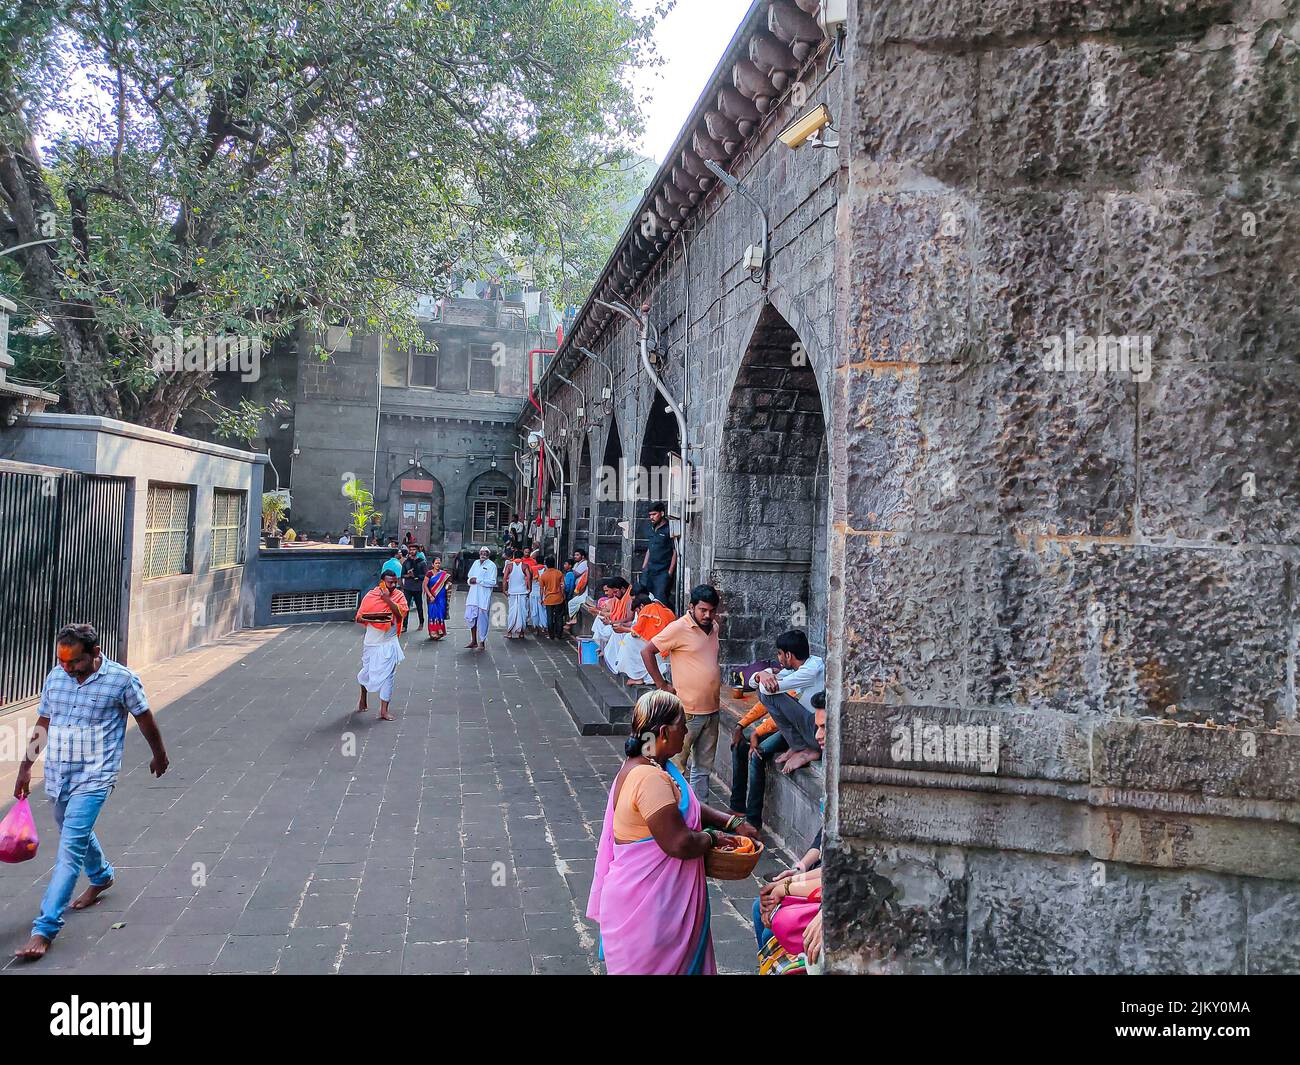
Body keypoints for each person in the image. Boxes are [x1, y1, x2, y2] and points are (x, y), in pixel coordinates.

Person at [12, 624, 170, 962]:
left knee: (69, 849)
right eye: (62, 660)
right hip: (58, 774)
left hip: (96, 776)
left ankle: (44, 928)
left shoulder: (121, 679)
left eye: (74, 662)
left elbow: (143, 717)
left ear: (95, 653)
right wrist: (25, 767)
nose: (67, 668)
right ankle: (101, 876)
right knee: (74, 832)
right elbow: (44, 722)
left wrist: (159, 753)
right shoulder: (56, 677)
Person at [586, 691, 758, 975]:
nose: (687, 731)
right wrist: (714, 838)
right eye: (683, 724)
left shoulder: (653, 767)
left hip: (651, 909)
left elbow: (685, 803)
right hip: (650, 916)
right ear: (664, 732)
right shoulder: (649, 779)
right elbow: (679, 843)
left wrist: (731, 822)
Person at [753, 702, 828, 973]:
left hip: (837, 890)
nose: (818, 735)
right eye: (816, 727)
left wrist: (787, 888)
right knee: (761, 908)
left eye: (824, 728)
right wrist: (798, 869)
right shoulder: (835, 773)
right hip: (823, 877)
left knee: (776, 917)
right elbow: (825, 837)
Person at [643, 585, 722, 802]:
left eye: (712, 610)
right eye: (703, 610)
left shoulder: (714, 627)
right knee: (677, 765)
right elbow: (647, 651)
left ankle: (699, 812)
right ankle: (673, 810)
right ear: (691, 607)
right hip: (686, 712)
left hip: (712, 709)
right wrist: (662, 685)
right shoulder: (678, 628)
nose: (707, 615)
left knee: (704, 768)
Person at [749, 630, 825, 775]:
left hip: (819, 731)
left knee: (768, 695)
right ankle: (799, 746)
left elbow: (766, 689)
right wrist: (763, 673)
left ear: (788, 655)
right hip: (808, 728)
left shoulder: (809, 671)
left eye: (779, 654)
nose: (778, 658)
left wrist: (765, 675)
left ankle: (801, 748)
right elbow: (753, 682)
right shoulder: (801, 667)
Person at [356, 562, 408, 721]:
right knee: (366, 672)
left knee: (389, 676)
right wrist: (372, 617)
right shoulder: (371, 595)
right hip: (371, 641)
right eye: (389, 582)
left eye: (395, 582)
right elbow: (359, 616)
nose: (393, 585)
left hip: (389, 642)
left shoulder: (399, 595)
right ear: (381, 582)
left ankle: (384, 710)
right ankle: (363, 695)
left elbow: (400, 615)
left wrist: (387, 599)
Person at [610, 593, 675, 686]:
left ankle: (636, 676)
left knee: (627, 640)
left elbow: (636, 632)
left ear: (641, 606)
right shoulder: (665, 610)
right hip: (666, 649)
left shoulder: (647, 610)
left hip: (660, 650)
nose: (638, 614)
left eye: (637, 611)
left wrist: (623, 629)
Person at [641, 501, 677, 610]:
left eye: (654, 514)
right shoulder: (652, 528)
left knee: (661, 600)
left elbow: (675, 551)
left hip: (662, 572)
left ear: (661, 513)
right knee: (645, 597)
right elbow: (650, 548)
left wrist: (670, 572)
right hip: (649, 570)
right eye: (650, 515)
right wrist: (644, 566)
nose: (651, 517)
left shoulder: (669, 529)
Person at [464, 547, 498, 651]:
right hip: (473, 596)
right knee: (470, 617)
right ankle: (473, 640)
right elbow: (469, 577)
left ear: (488, 554)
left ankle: (482, 641)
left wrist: (478, 580)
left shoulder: (492, 566)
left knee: (483, 620)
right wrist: (471, 580)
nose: (483, 554)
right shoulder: (475, 563)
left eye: (485, 553)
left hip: (483, 597)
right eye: (481, 552)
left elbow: (492, 582)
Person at [503, 549, 532, 639]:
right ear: (522, 556)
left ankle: (509, 632)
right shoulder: (525, 566)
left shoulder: (509, 566)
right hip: (523, 592)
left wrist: (504, 589)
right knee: (523, 612)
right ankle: (521, 633)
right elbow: (529, 577)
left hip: (512, 592)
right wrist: (529, 589)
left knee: (512, 611)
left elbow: (504, 579)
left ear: (514, 556)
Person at [401, 543, 428, 634]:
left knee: (419, 606)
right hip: (408, 586)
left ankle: (421, 622)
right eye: (411, 549)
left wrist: (416, 576)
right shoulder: (406, 562)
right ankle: (404, 625)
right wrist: (408, 575)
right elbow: (402, 575)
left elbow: (425, 575)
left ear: (417, 551)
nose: (412, 551)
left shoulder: (422, 562)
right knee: (406, 606)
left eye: (414, 549)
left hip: (417, 587)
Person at [538, 555, 567, 639]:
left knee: (549, 617)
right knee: (559, 617)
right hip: (558, 598)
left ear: (546, 564)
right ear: (554, 564)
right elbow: (562, 586)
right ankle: (559, 634)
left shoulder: (543, 575)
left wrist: (541, 599)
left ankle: (551, 635)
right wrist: (563, 595)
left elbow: (541, 589)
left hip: (548, 598)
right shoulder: (559, 573)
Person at [424, 555, 451, 640]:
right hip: (432, 596)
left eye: (439, 563)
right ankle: (433, 632)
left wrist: (448, 586)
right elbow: (425, 585)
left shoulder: (443, 574)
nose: (438, 565)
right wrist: (430, 595)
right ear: (432, 564)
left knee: (440, 613)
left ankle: (440, 631)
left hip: (441, 597)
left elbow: (448, 584)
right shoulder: (429, 573)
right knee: (432, 613)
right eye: (436, 563)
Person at [564, 548, 590, 630]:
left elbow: (575, 574)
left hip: (583, 589)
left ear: (582, 556)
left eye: (577, 555)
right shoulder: (576, 564)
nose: (575, 556)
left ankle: (573, 619)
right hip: (577, 588)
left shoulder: (584, 563)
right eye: (575, 555)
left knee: (572, 603)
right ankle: (572, 619)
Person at [527, 549, 546, 634]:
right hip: (543, 590)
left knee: (534, 609)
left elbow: (529, 579)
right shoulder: (546, 569)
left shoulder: (532, 568)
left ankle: (536, 626)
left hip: (534, 590)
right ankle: (544, 626)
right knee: (542, 609)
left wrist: (529, 588)